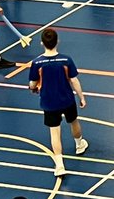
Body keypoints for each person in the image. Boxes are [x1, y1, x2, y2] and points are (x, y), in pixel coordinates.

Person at [28, 27, 88, 176]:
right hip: (67, 99)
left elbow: (32, 84)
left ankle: (60, 166)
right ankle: (79, 145)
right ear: (57, 42)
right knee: (73, 121)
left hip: (49, 102)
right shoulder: (66, 60)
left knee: (55, 132)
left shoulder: (37, 63)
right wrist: (81, 97)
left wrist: (33, 88)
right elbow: (74, 80)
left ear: (42, 43)